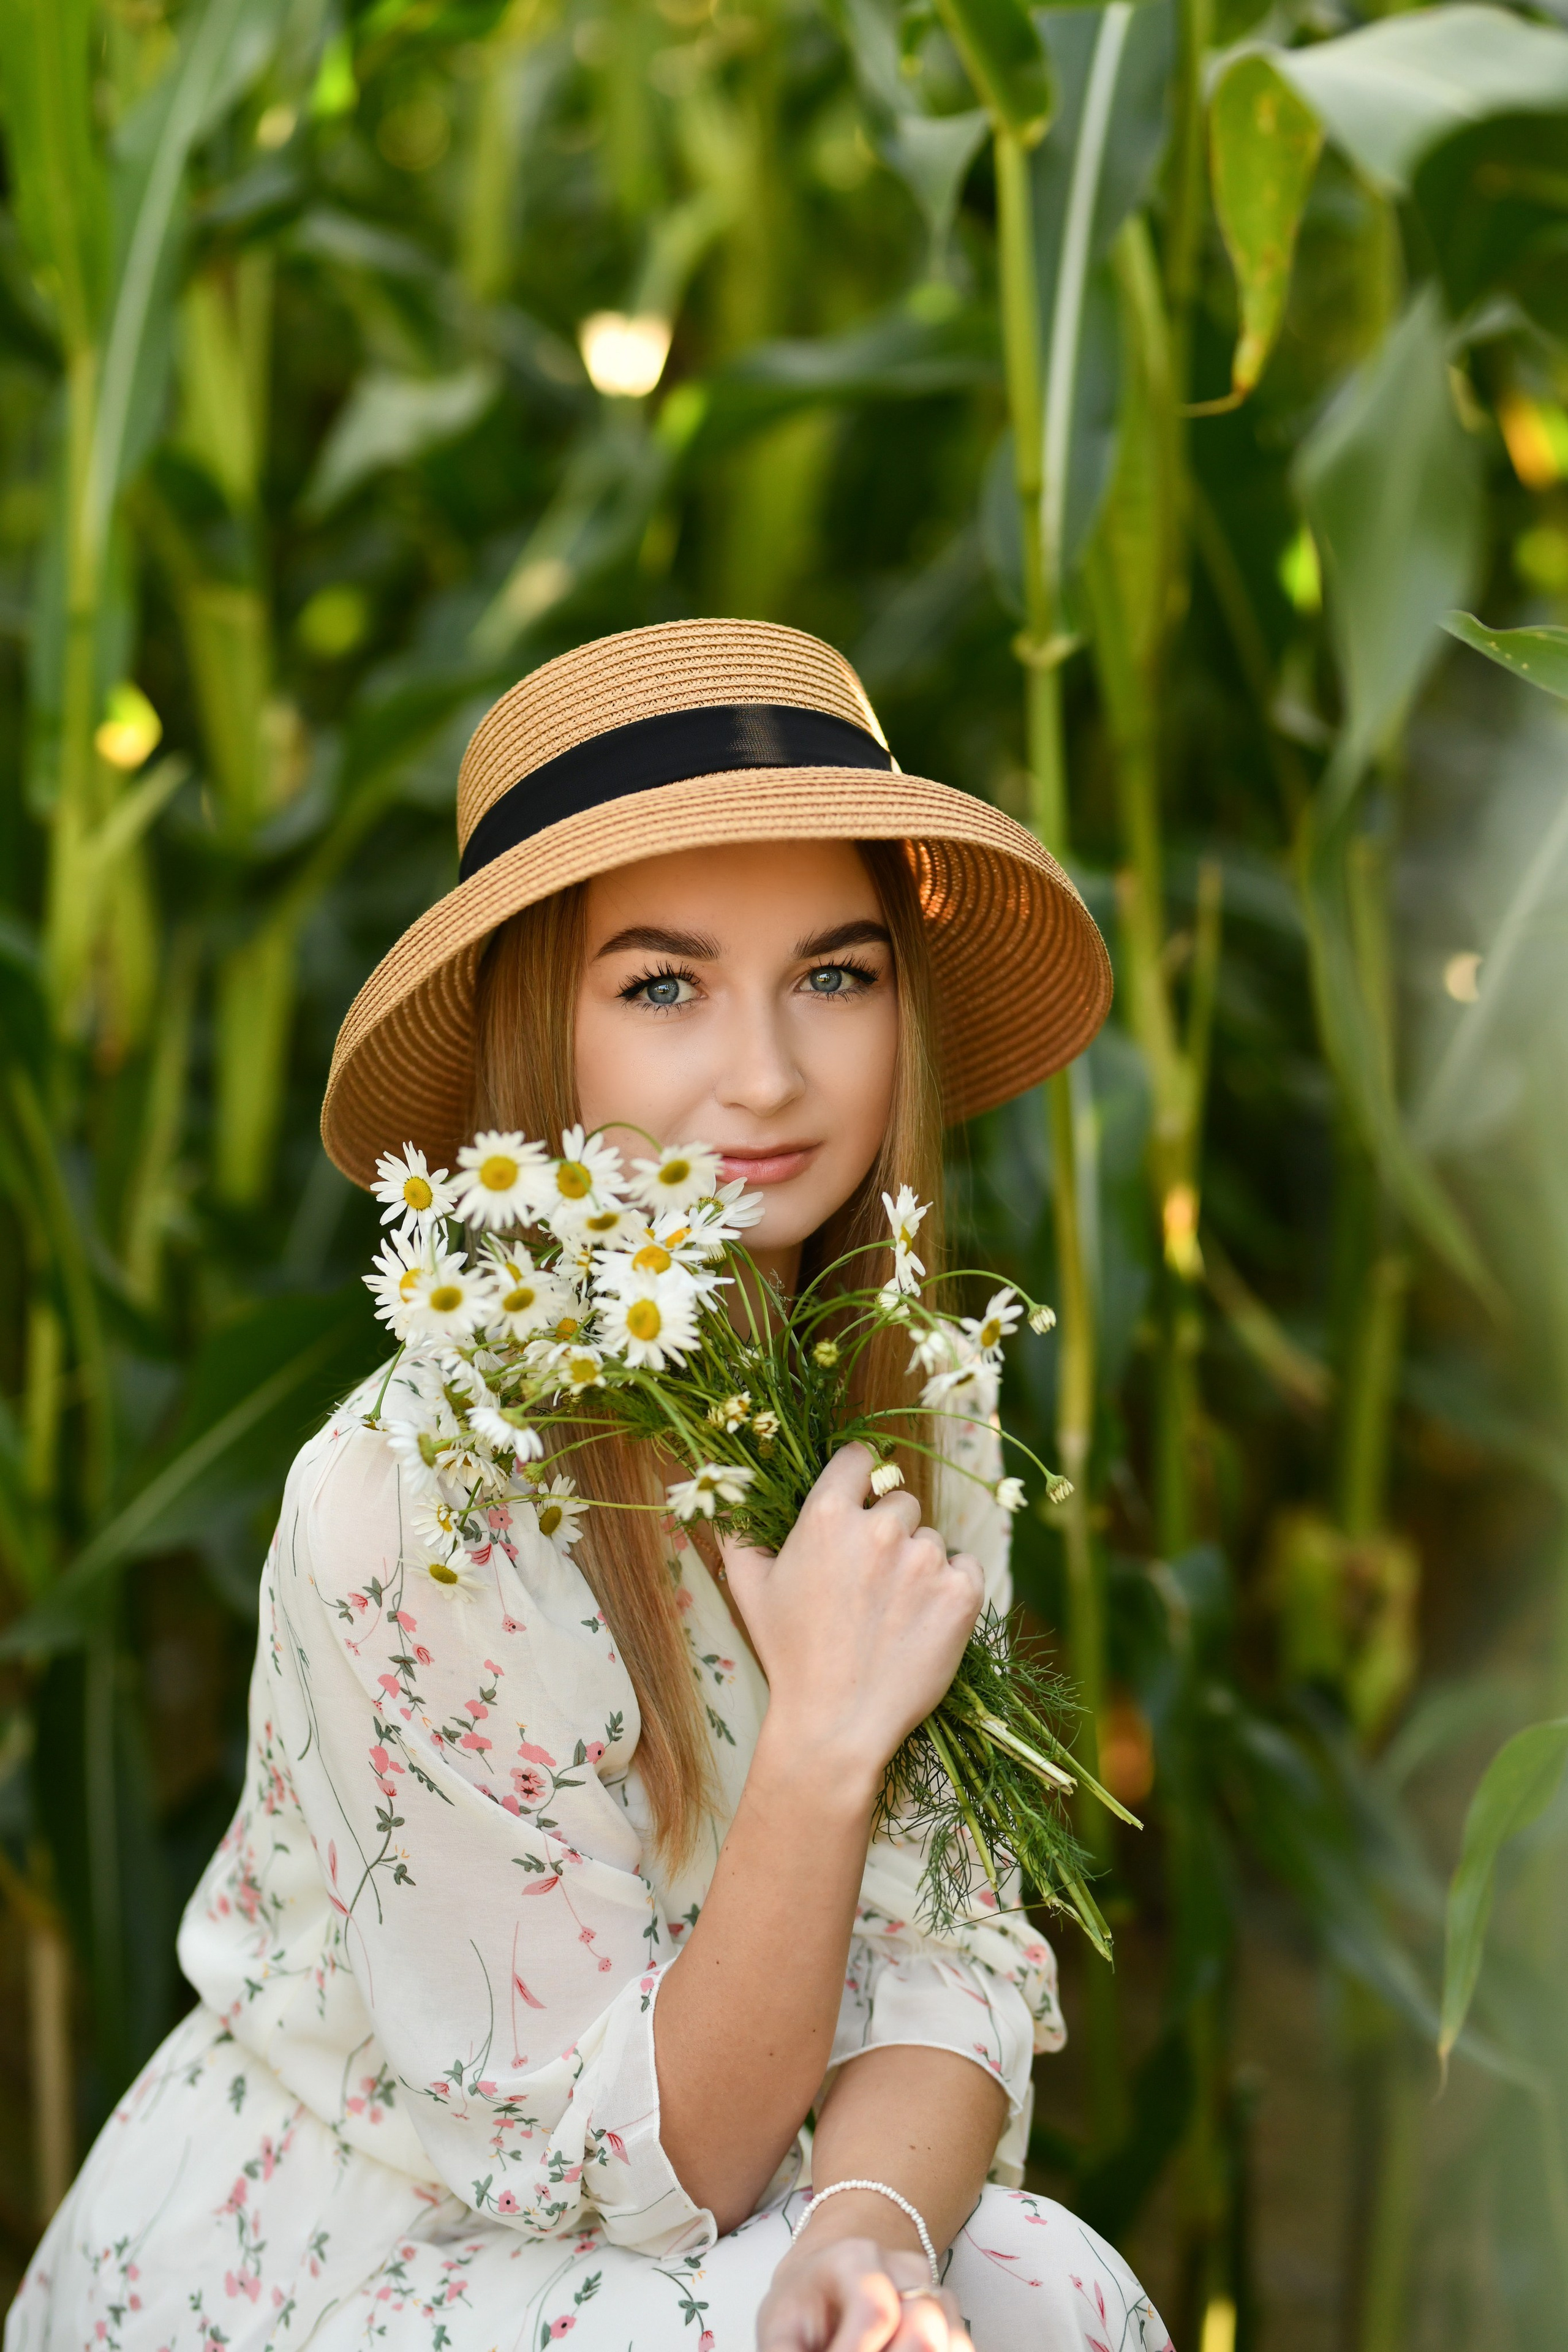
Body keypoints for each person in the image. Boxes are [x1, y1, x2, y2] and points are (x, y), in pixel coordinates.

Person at [9, 620, 1168, 2352]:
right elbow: (651, 2167)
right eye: (663, 984)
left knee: (1044, 2295)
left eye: (836, 975)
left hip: (762, 2187)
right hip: (382, 2247)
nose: (768, 1074)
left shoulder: (922, 1396)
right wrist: (827, 1738)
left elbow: (959, 1956)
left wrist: (869, 2240)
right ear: (535, 1035)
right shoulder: (415, 1501)